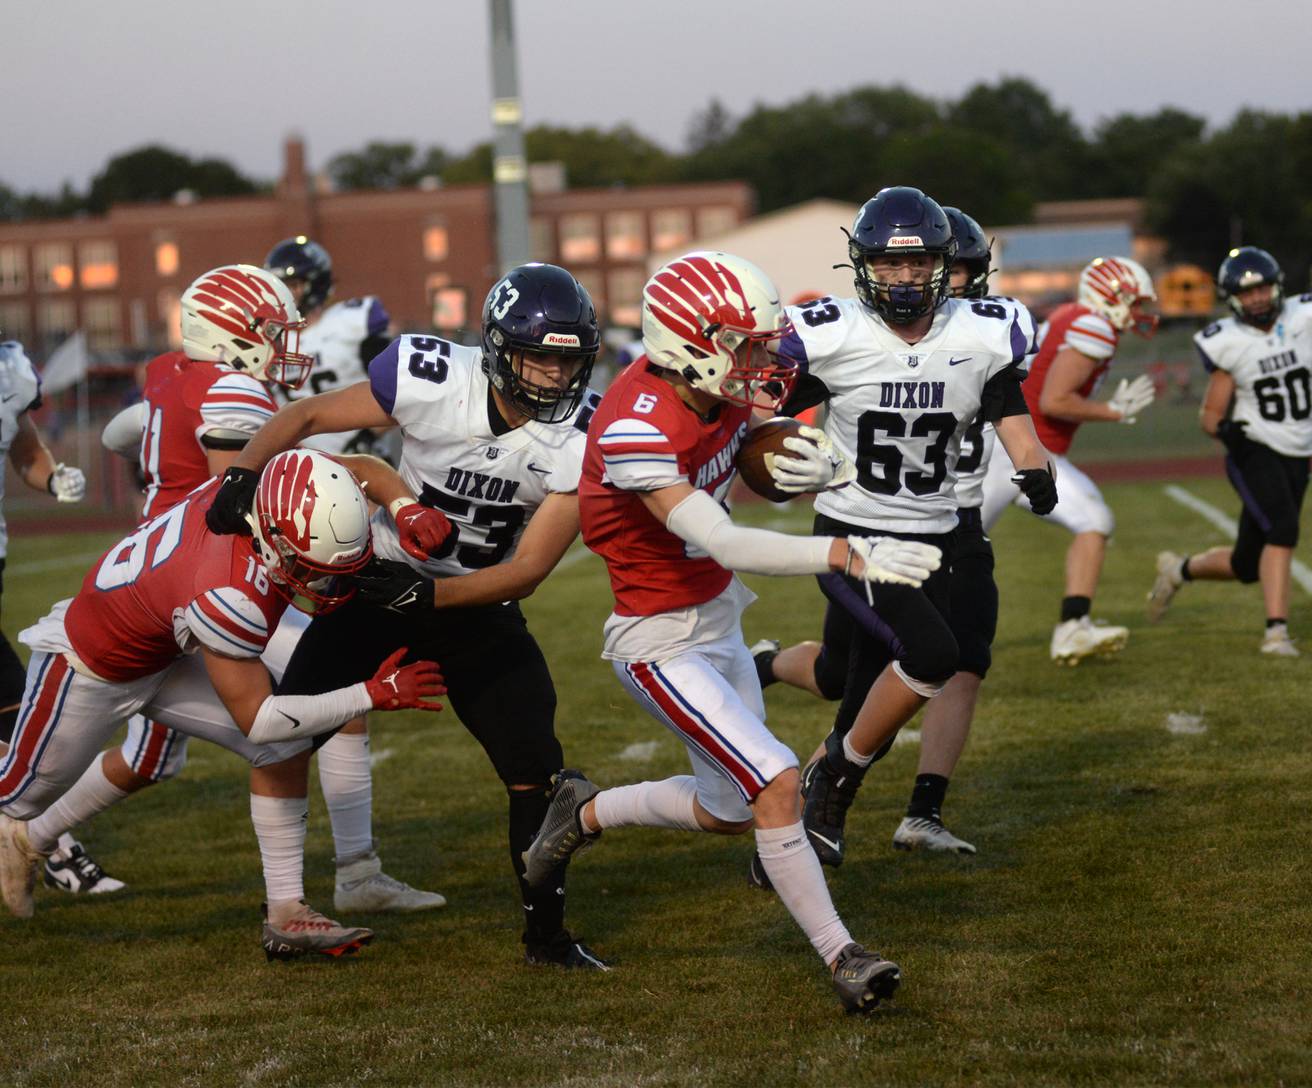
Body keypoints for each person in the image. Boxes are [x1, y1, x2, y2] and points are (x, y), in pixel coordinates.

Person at [521, 250, 942, 1012]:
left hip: (716, 618)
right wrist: (847, 551)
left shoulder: (717, 388)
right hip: (656, 640)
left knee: (727, 810)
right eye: (744, 344)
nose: (762, 359)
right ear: (689, 342)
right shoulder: (634, 426)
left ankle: (580, 812)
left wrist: (805, 464)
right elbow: (727, 540)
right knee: (779, 782)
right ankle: (843, 955)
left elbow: (757, 462)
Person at [204, 262, 612, 970]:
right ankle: (285, 909)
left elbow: (529, 571)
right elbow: (305, 416)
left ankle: (546, 935)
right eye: (539, 357)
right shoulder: (432, 376)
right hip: (377, 583)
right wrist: (243, 471)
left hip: (478, 601)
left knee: (533, 770)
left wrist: (427, 600)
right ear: (497, 348)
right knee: (285, 733)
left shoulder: (582, 434)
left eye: (567, 361)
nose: (553, 376)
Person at [53, 264, 441, 915]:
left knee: (151, 760)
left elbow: (118, 433)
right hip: (204, 580)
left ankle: (29, 831)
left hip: (159, 573)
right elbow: (258, 504)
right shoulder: (233, 392)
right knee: (319, 701)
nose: (287, 342)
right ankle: (349, 874)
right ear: (231, 334)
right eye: (272, 331)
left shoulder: (171, 375)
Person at [0, 448, 445, 956]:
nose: (323, 581)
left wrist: (406, 506)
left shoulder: (279, 484)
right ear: (274, 538)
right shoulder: (230, 593)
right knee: (16, 795)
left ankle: (287, 914)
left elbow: (360, 468)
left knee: (285, 752)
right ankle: (23, 832)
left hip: (160, 648)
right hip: (89, 666)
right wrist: (374, 693)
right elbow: (259, 719)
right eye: (310, 564)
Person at [765, 187, 1054, 871]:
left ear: (943, 263)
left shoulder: (983, 331)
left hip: (935, 535)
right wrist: (775, 457)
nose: (903, 279)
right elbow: (758, 408)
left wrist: (1033, 466)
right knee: (929, 655)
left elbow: (1006, 406)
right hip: (854, 538)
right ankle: (835, 781)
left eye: (918, 263)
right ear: (863, 266)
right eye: (888, 265)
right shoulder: (830, 332)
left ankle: (787, 835)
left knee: (853, 680)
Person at [1147, 246, 1312, 654]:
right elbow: (1209, 415)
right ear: (1233, 298)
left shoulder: (1307, 317)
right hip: (1254, 448)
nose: (1258, 298)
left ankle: (1178, 570)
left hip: (1298, 450)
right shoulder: (1228, 341)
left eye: (1263, 289)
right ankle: (1276, 632)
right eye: (1248, 292)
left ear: (1277, 287)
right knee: (1284, 528)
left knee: (1247, 565)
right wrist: (1228, 433)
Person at [980, 256, 1160, 665]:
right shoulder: (1094, 326)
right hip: (1012, 453)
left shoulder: (1076, 316)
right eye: (1134, 302)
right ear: (1110, 297)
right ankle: (891, 641)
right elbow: (1055, 400)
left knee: (1094, 519)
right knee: (951, 553)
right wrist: (1113, 410)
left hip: (1033, 454)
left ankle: (1073, 628)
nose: (1139, 313)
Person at [0, 340, 99, 885]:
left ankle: (42, 845)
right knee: (17, 719)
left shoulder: (10, 371)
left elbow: (23, 448)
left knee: (17, 721)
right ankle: (54, 851)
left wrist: (51, 477)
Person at [264, 236, 394, 457]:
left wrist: (368, 436)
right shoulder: (268, 340)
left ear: (316, 284)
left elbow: (398, 387)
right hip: (297, 462)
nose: (284, 295)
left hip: (361, 456)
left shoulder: (351, 322)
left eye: (293, 285)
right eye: (278, 287)